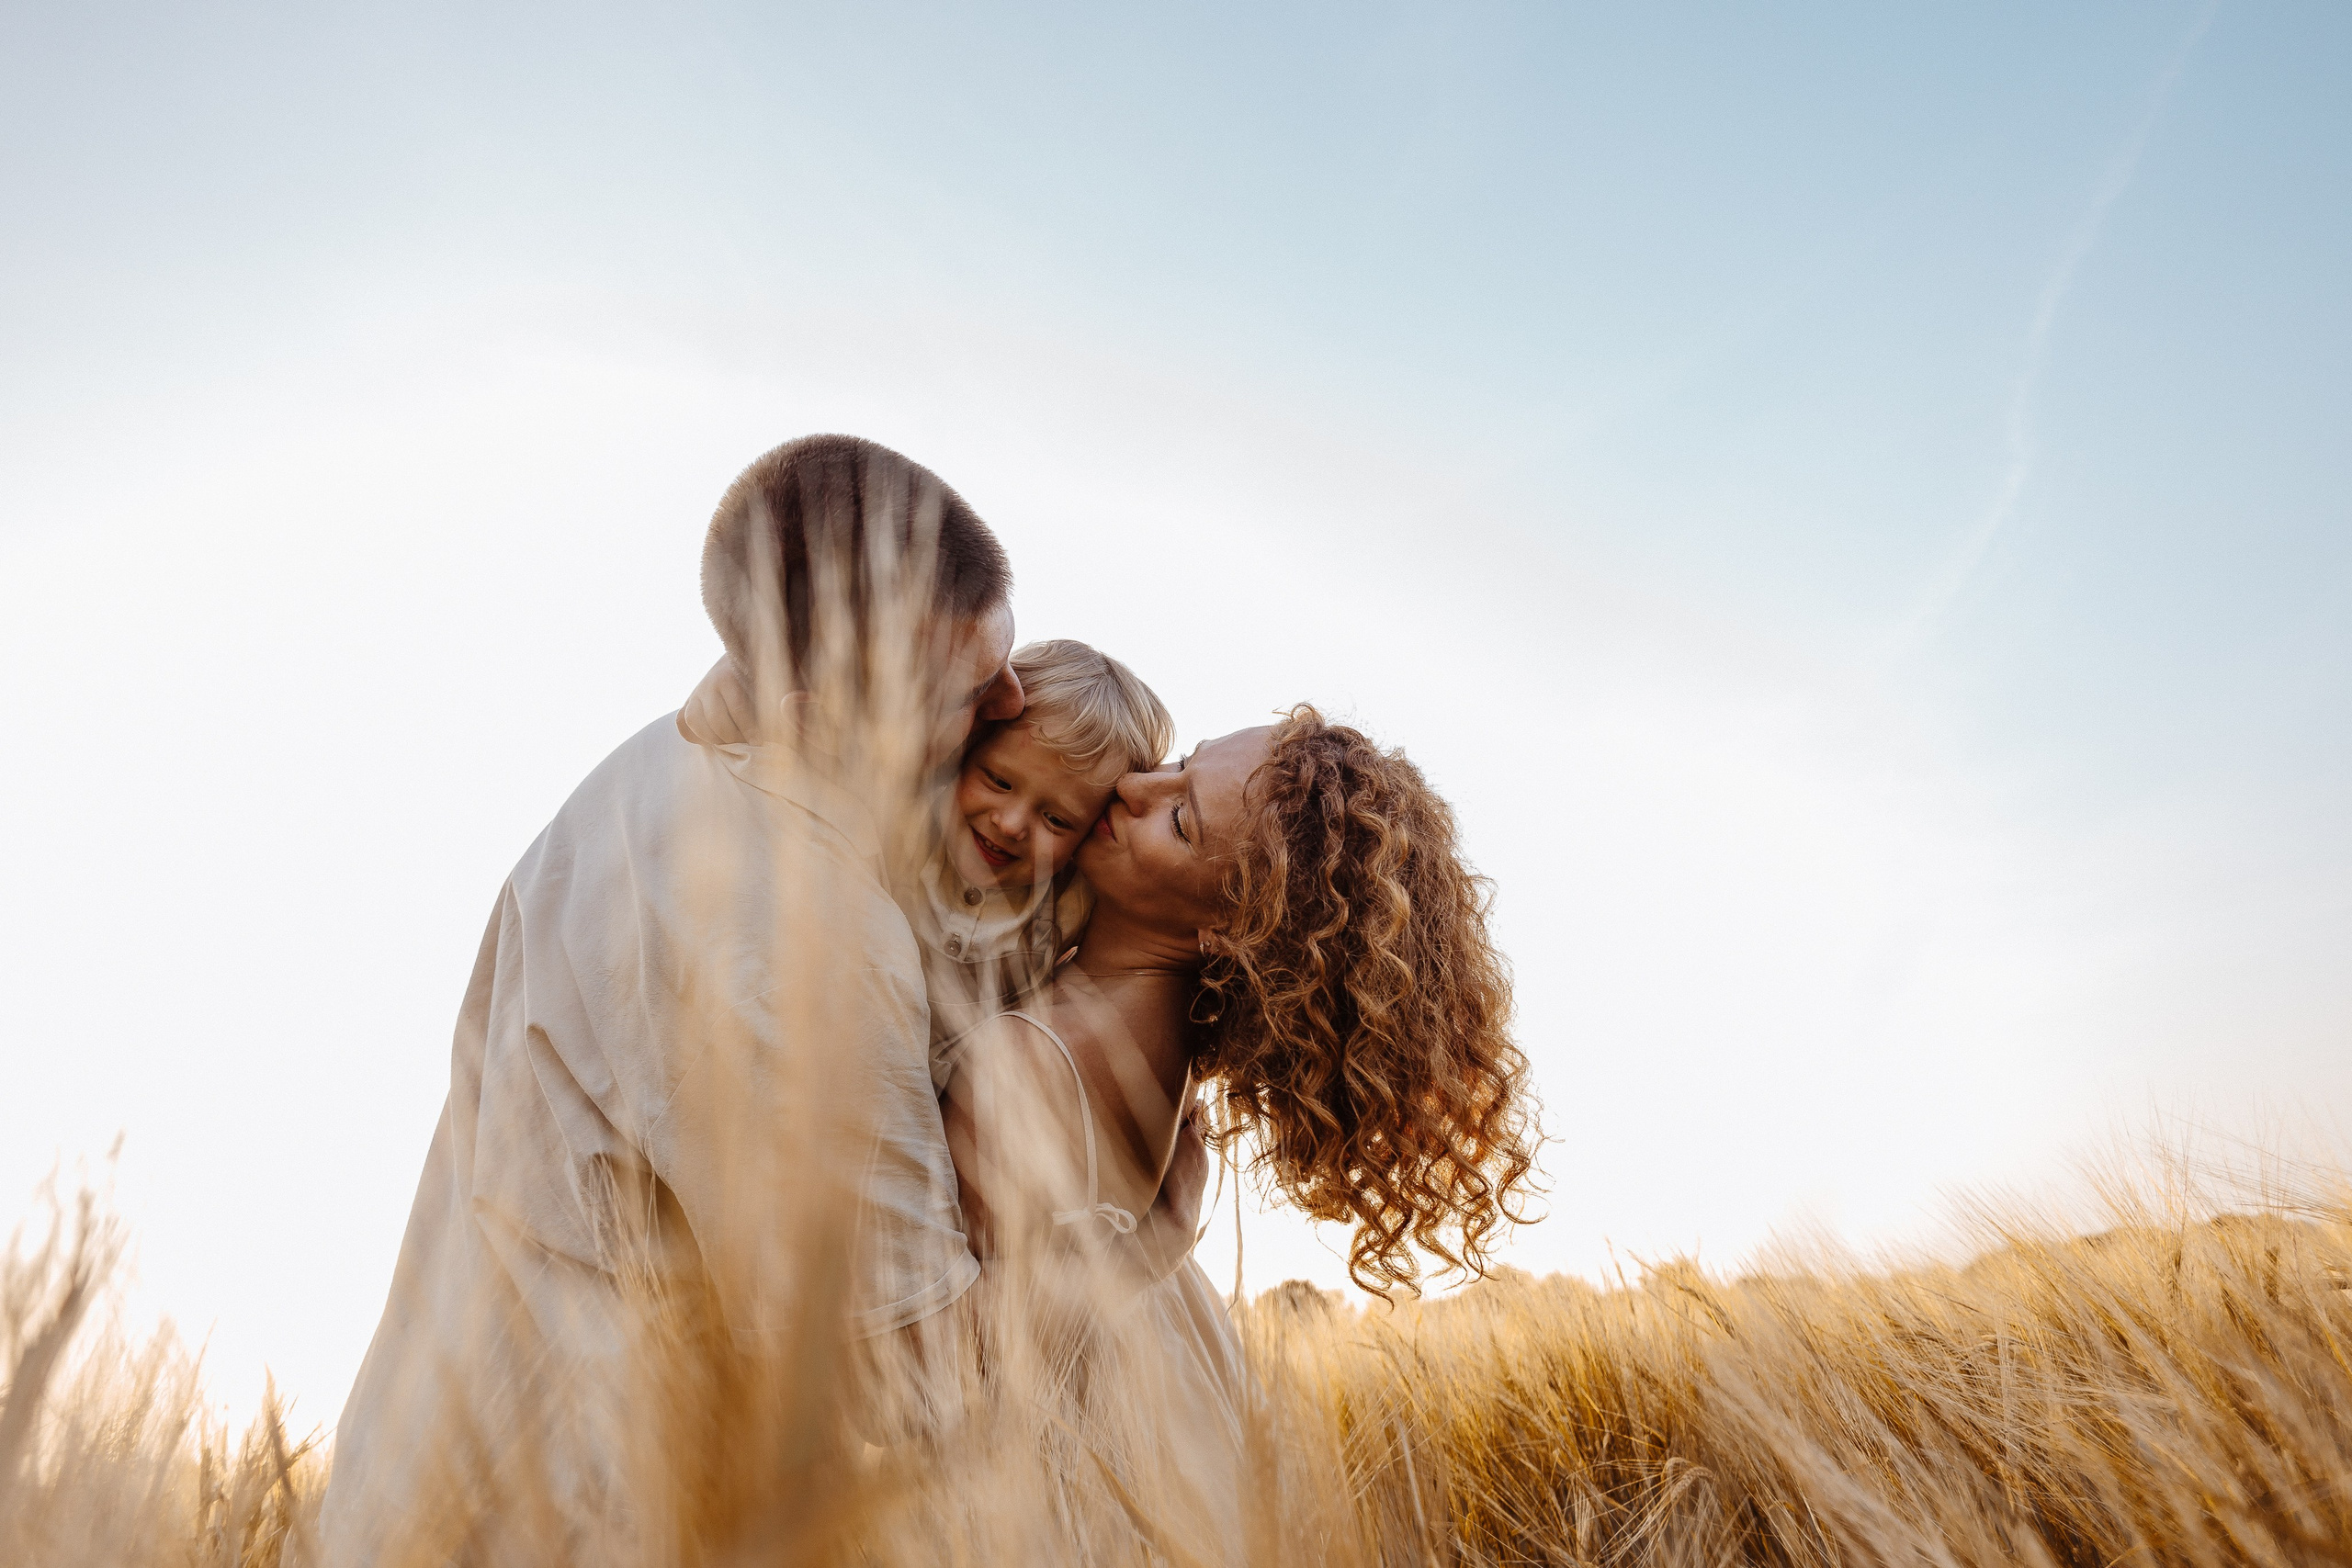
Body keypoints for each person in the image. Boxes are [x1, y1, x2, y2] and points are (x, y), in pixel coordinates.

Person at [320, 435, 1209, 1565]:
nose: (1012, 694)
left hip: (419, 1476)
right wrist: (1145, 1251)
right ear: (821, 713)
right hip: (562, 1524)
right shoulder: (804, 943)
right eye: (968, 690)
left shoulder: (659, 759)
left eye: (1001, 650)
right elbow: (907, 1382)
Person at [942, 707, 1543, 1562]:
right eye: (1178, 766)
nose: (1132, 787)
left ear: (1229, 927)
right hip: (1157, 1427)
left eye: (1178, 819)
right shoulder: (1169, 1036)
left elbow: (957, 1361)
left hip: (1051, 1491)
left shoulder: (1039, 1054)